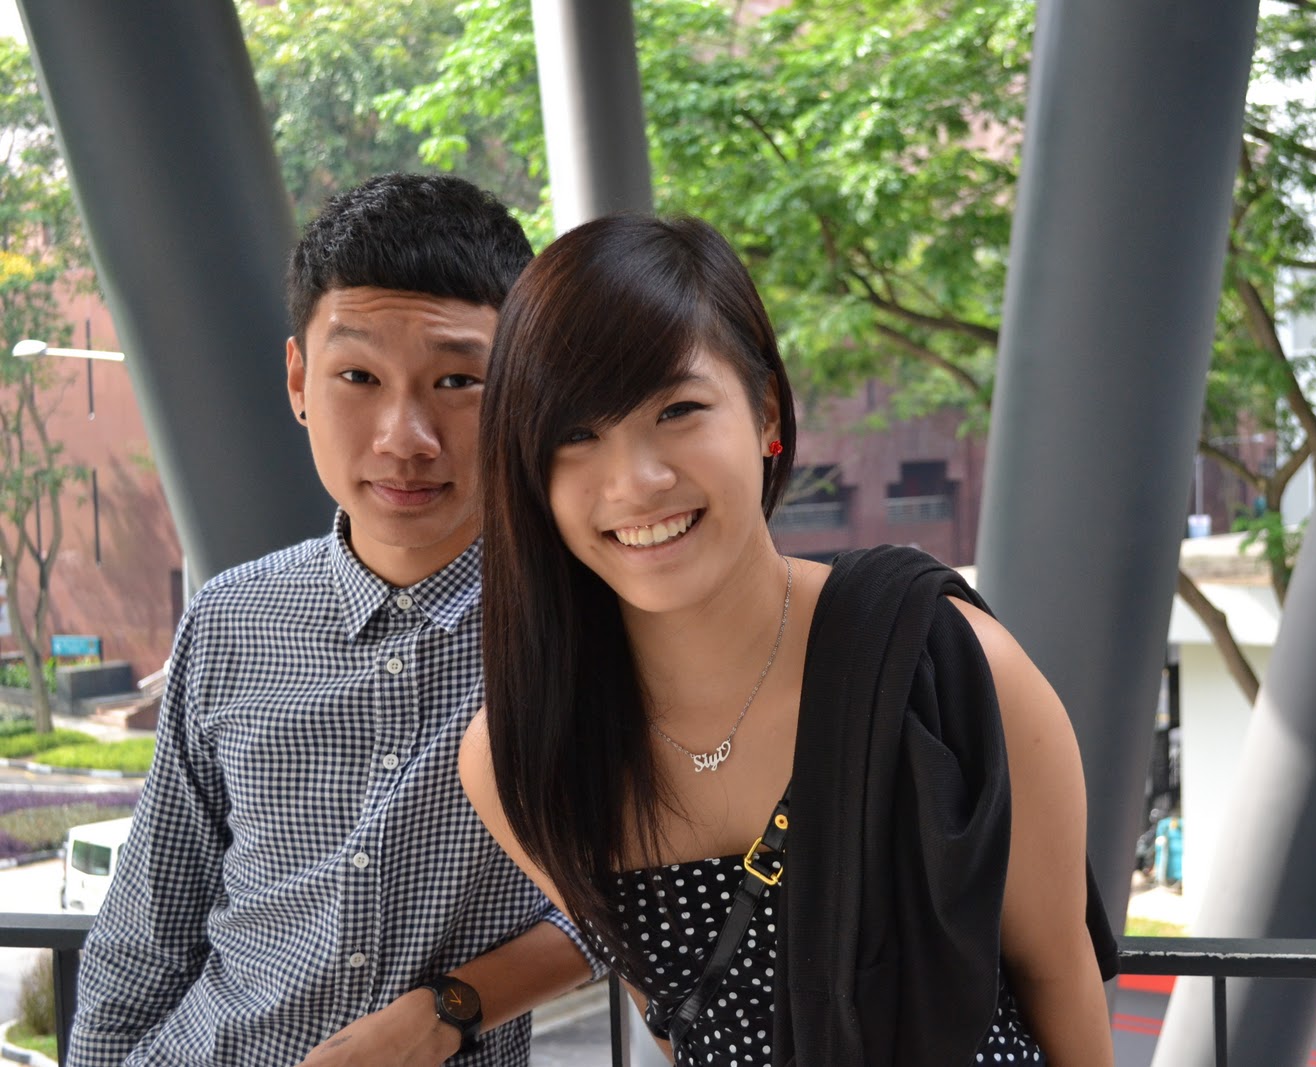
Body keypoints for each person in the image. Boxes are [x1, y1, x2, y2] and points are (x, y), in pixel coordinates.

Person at [461, 213, 1117, 1065]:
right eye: (576, 435)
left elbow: (1059, 974)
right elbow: (683, 1025)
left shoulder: (949, 663)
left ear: (766, 410)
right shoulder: (525, 757)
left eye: (678, 409)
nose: (636, 482)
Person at [69, 173, 599, 1067]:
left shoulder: (579, 629)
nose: (404, 436)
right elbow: (149, 924)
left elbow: (656, 892)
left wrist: (453, 1005)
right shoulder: (231, 617)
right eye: (358, 376)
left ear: (520, 390)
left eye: (458, 379)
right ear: (299, 381)